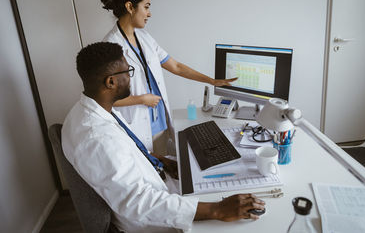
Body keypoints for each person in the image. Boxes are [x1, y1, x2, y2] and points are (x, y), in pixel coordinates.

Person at [62, 42, 265, 233]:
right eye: (128, 71)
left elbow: (120, 152)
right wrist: (216, 210)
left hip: (156, 181)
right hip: (150, 218)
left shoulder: (87, 111)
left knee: (218, 172)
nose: (131, 77)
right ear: (111, 81)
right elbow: (136, 202)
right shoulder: (95, 137)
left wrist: (158, 159)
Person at [101, 0, 237, 155]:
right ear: (130, 7)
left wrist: (211, 81)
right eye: (146, 7)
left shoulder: (144, 37)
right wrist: (141, 99)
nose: (149, 14)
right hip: (138, 128)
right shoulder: (110, 46)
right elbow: (104, 99)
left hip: (161, 124)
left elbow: (176, 66)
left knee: (168, 171)